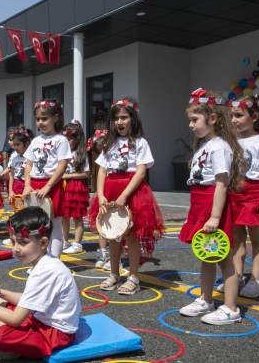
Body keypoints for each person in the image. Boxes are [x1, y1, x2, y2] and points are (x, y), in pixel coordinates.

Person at [0, 207, 80, 361]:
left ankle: (14, 349)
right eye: (13, 241)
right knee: (2, 303)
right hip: (42, 321)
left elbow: (17, 318)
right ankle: (12, 348)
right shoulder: (45, 263)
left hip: (55, 334)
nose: (15, 249)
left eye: (23, 242)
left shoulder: (45, 271)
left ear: (43, 242)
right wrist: (0, 292)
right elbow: (30, 300)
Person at [178, 88, 245, 325]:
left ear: (213, 118)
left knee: (224, 257)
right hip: (201, 203)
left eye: (195, 119)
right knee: (206, 255)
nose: (191, 125)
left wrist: (215, 216)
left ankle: (231, 308)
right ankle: (206, 299)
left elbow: (221, 183)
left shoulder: (218, 146)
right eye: (190, 120)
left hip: (212, 205)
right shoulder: (205, 145)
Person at [88, 99, 165, 294]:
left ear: (133, 118)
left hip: (131, 191)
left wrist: (123, 196)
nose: (120, 122)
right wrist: (101, 194)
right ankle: (114, 273)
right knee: (112, 234)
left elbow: (140, 172)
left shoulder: (140, 143)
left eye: (124, 117)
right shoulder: (109, 143)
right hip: (110, 190)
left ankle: (133, 277)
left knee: (131, 236)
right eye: (116, 118)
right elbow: (101, 171)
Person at [221, 94, 259, 298]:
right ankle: (237, 276)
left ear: (254, 117)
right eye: (231, 116)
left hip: (254, 193)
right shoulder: (229, 142)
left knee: (257, 239)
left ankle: (256, 280)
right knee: (236, 239)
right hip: (234, 193)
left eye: (238, 115)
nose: (233, 120)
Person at [23, 99, 71, 257]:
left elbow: (62, 166)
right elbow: (28, 165)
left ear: (55, 118)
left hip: (51, 185)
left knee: (54, 225)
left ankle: (54, 261)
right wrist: (27, 185)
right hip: (34, 185)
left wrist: (48, 186)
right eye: (38, 119)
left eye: (45, 118)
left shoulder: (61, 140)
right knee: (37, 225)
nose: (40, 122)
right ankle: (40, 259)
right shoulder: (35, 141)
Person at [62, 121, 91, 254]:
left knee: (77, 217)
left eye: (68, 139)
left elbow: (85, 173)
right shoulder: (62, 152)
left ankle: (77, 243)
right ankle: (64, 241)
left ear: (76, 139)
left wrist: (67, 176)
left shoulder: (81, 153)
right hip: (63, 187)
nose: (66, 142)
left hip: (76, 187)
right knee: (63, 216)